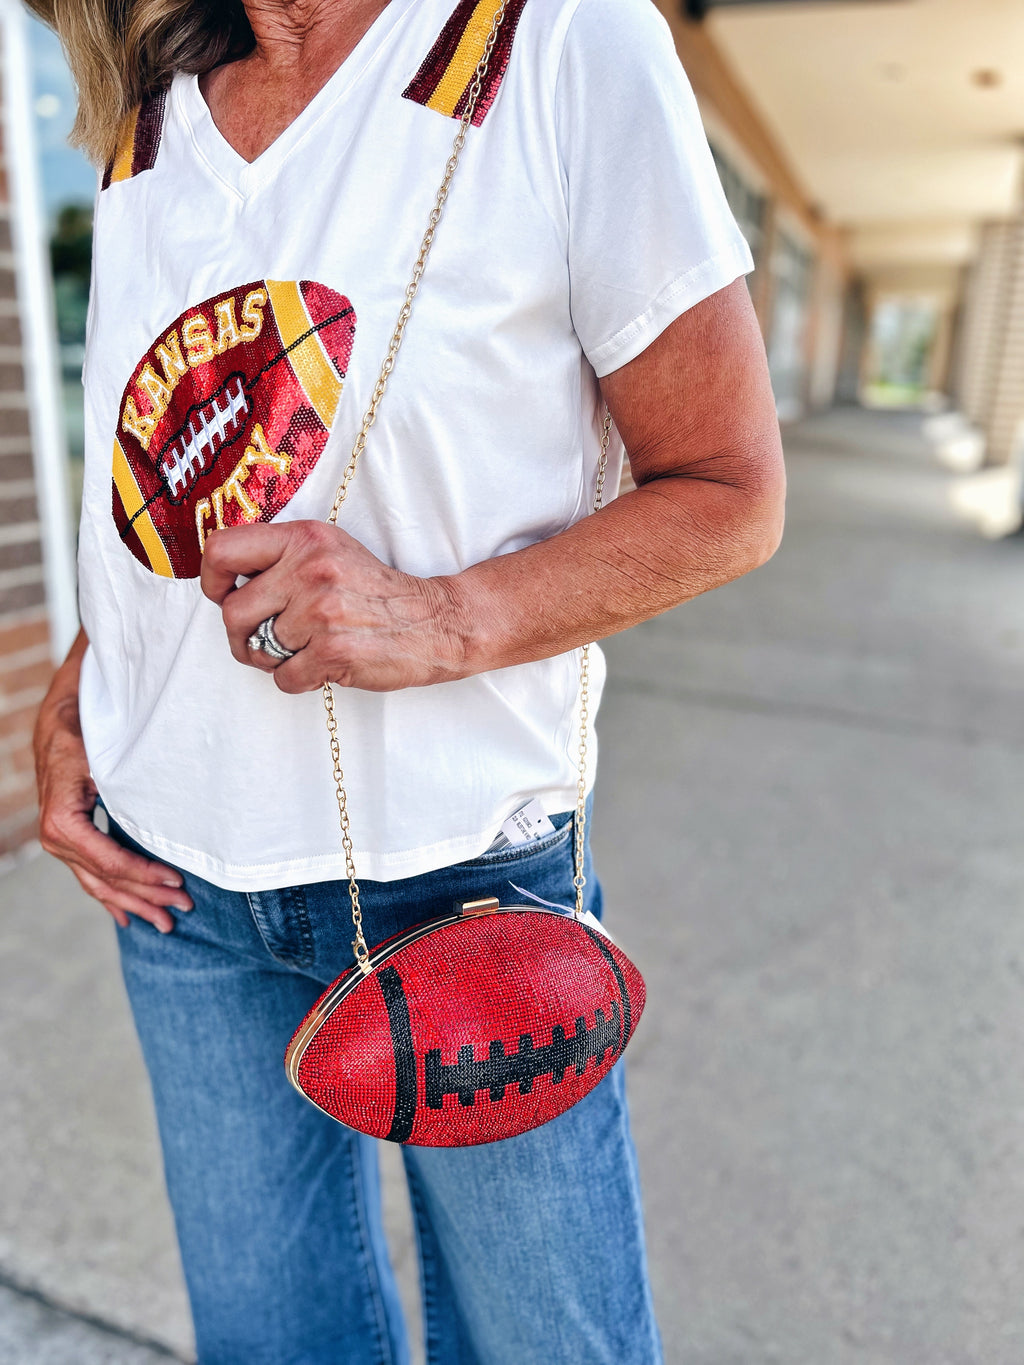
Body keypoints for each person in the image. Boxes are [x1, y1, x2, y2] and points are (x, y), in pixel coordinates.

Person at [31, 0, 785, 1360]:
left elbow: (730, 494)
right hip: (179, 895)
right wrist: (87, 675)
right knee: (273, 1345)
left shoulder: (558, 42)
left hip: (462, 883)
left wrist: (437, 618)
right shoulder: (146, 112)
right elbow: (184, 480)